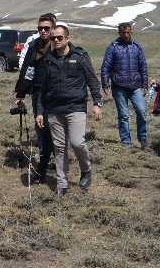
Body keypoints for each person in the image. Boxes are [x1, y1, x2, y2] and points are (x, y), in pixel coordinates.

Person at [35, 25, 103, 196]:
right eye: (53, 38)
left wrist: (97, 103)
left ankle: (86, 169)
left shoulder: (80, 57)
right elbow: (42, 90)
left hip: (76, 107)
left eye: (59, 37)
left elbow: (92, 81)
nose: (56, 40)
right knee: (59, 147)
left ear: (67, 38)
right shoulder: (48, 60)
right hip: (54, 109)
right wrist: (39, 111)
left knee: (77, 142)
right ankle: (62, 184)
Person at [14, 13, 57, 184]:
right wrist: (20, 93)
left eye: (46, 28)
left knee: (57, 131)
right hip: (38, 93)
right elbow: (27, 70)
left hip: (57, 94)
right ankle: (43, 167)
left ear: (53, 27)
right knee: (42, 131)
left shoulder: (58, 45)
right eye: (40, 28)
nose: (43, 31)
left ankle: (60, 167)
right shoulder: (34, 45)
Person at [100, 23, 149, 148]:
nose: (126, 35)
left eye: (128, 32)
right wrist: (105, 84)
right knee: (124, 115)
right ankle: (126, 140)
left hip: (135, 86)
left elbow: (143, 66)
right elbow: (106, 66)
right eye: (123, 33)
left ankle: (143, 138)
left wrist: (145, 84)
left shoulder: (137, 47)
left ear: (131, 32)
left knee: (142, 111)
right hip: (119, 87)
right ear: (119, 33)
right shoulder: (113, 47)